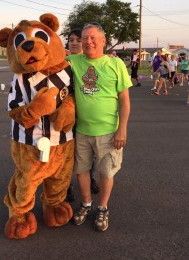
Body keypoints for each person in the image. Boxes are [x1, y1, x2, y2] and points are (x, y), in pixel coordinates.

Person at [67, 22, 132, 231]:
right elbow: (49, 60)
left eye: (93, 37)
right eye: (85, 38)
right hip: (81, 130)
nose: (88, 42)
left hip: (108, 131)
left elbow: (124, 100)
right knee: (81, 170)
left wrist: (122, 128)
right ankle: (86, 203)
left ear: (103, 40)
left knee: (106, 172)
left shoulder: (116, 65)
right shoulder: (73, 61)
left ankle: (102, 208)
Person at [65, 29, 99, 203]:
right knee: (67, 153)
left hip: (85, 116)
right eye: (71, 40)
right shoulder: (63, 62)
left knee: (89, 153)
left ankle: (91, 177)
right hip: (66, 116)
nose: (75, 43)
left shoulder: (89, 61)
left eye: (79, 39)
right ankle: (67, 186)